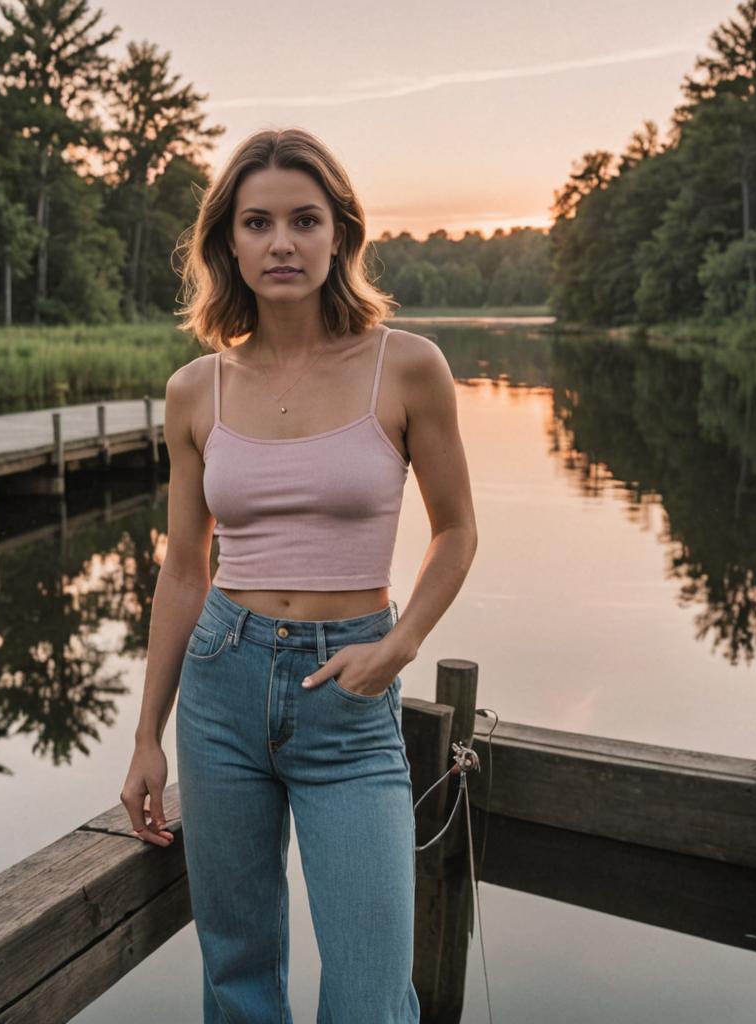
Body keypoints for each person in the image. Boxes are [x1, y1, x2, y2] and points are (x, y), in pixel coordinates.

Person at [121, 126, 477, 1023]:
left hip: (349, 695)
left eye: (305, 220)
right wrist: (146, 737)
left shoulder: (408, 367)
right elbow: (182, 569)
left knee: (369, 995)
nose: (282, 242)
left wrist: (396, 649)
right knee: (238, 976)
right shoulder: (195, 390)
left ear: (340, 235)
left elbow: (458, 531)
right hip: (222, 686)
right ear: (227, 243)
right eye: (258, 222)